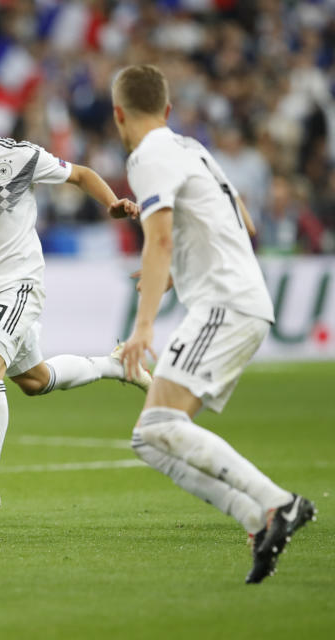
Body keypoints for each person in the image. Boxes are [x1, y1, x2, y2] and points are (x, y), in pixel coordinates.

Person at [111, 64, 315, 584]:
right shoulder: (190, 148)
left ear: (118, 115)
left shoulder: (148, 156)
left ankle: (278, 503)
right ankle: (257, 519)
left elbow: (157, 239)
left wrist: (144, 326)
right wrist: (184, 269)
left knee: (161, 425)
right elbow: (243, 221)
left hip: (224, 304)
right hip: (236, 298)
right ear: (169, 110)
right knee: (148, 438)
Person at [0, 72, 147, 517]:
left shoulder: (20, 158)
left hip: (20, 283)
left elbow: (79, 174)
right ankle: (115, 365)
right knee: (34, 381)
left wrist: (112, 202)